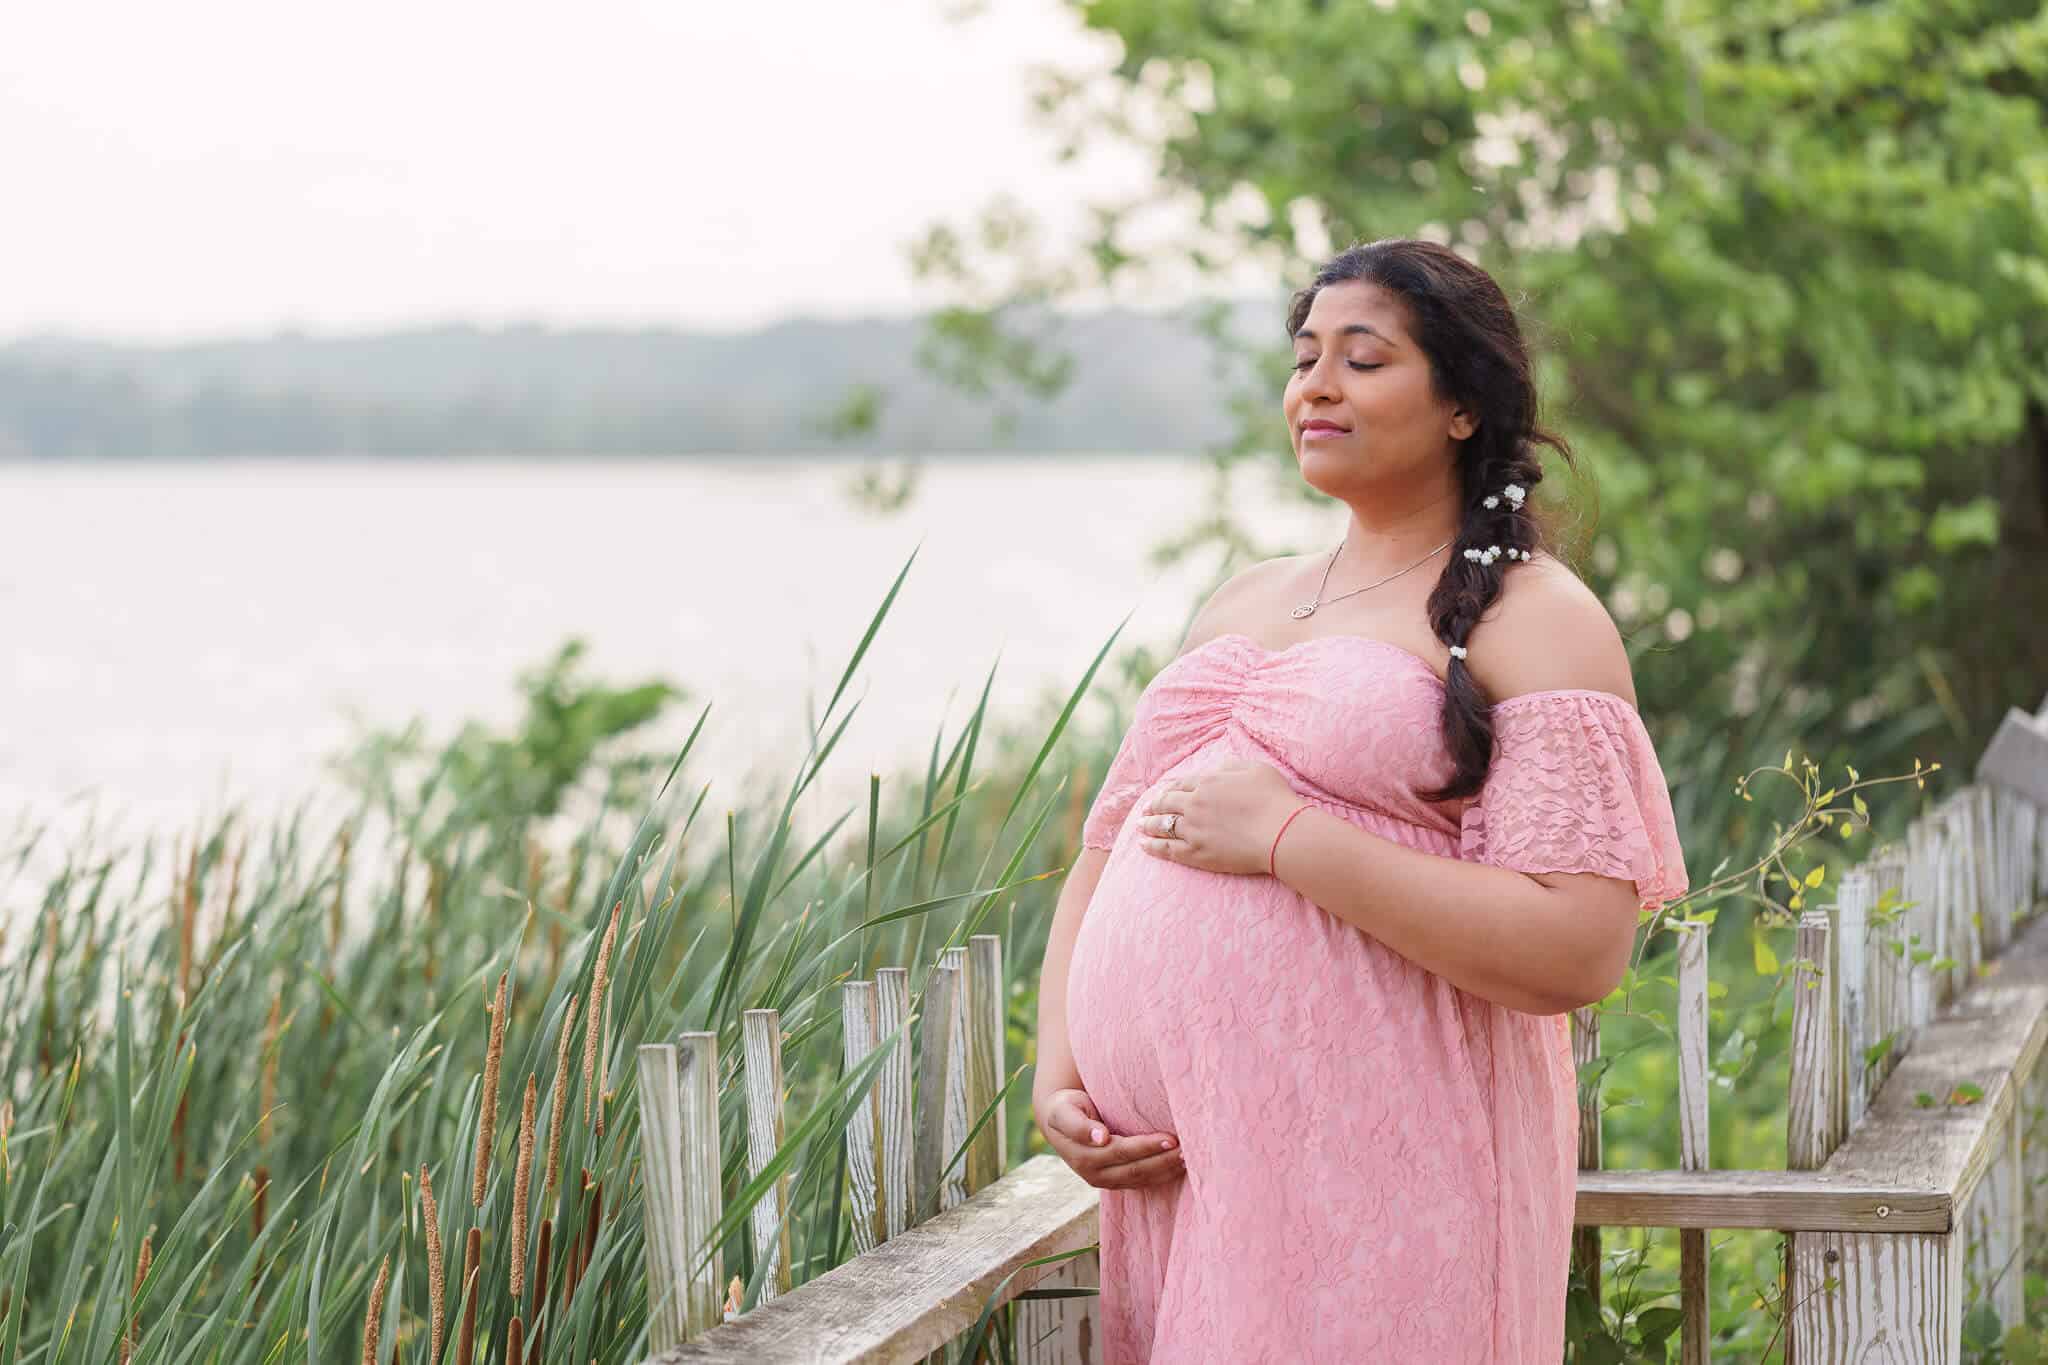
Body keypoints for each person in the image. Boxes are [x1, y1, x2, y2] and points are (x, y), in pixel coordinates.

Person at [1028, 237, 1689, 1362]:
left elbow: (1577, 947)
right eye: (1303, 360)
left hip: (1383, 1184)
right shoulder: (1241, 600)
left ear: (1462, 407)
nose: (1316, 387)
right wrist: (1061, 1076)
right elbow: (1107, 850)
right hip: (1188, 1181)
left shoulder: (1534, 616)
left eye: (1362, 359)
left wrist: (1288, 839)